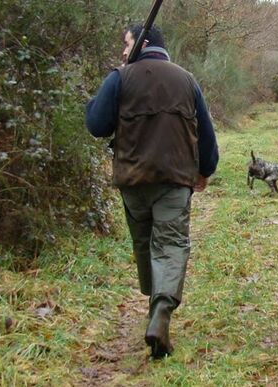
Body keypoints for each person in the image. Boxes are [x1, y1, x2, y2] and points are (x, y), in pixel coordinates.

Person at [85, 24, 219, 358]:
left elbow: (97, 126)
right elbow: (205, 132)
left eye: (126, 43)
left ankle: (153, 303)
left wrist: (98, 97)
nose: (122, 50)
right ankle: (161, 311)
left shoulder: (120, 77)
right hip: (174, 180)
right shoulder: (187, 80)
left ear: (141, 44)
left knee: (145, 243)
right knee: (170, 244)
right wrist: (206, 169)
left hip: (133, 181)